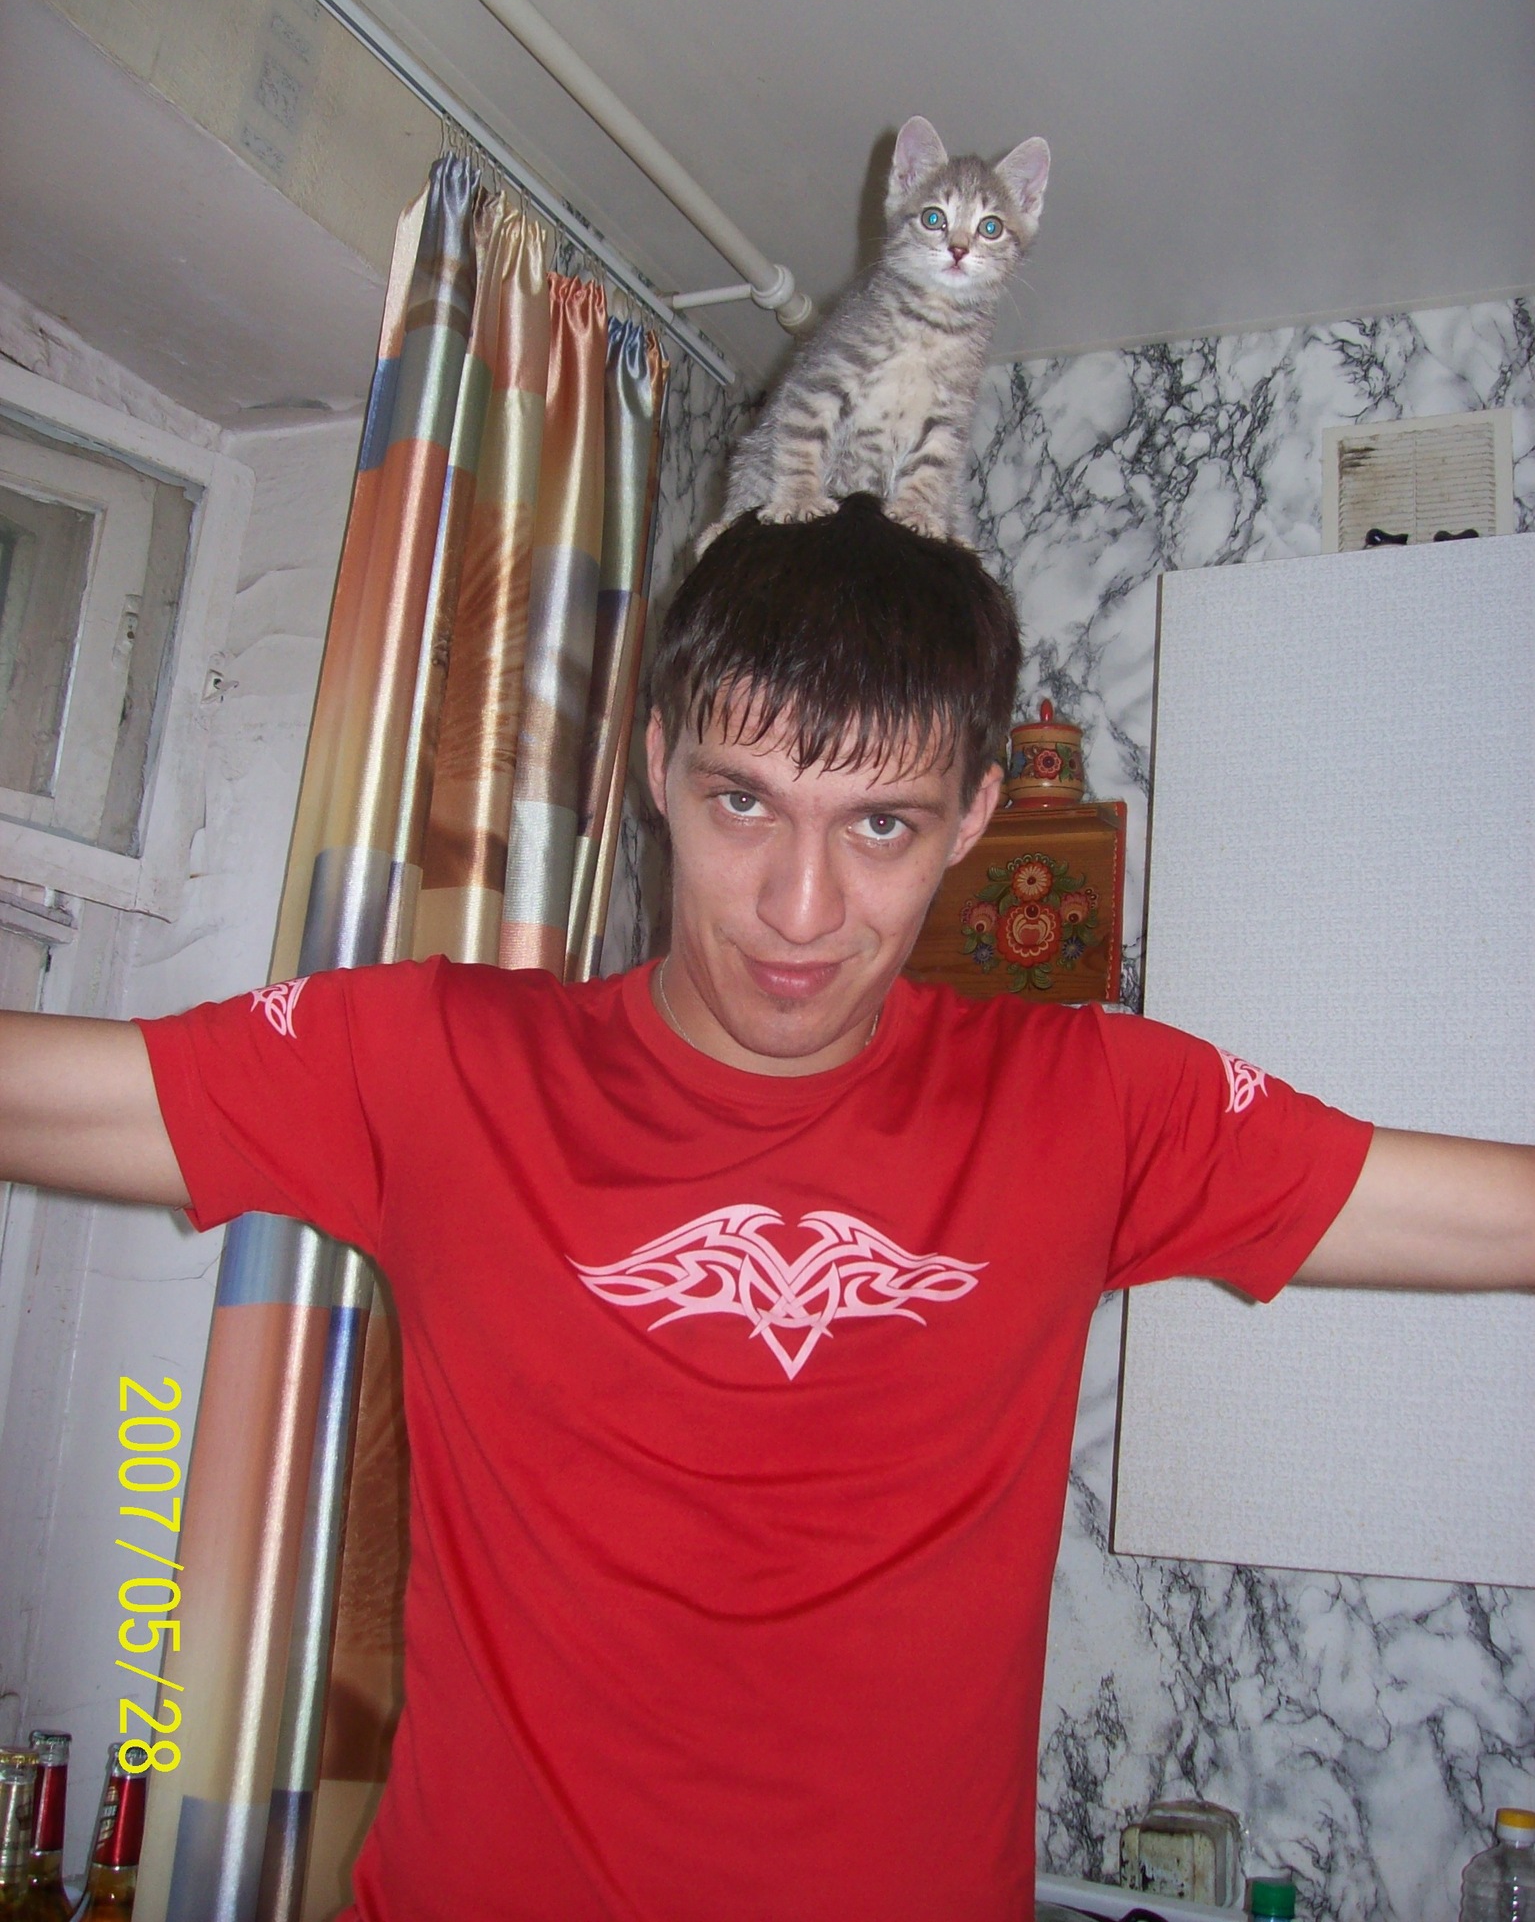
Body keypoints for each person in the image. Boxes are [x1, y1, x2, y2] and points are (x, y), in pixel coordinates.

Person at [1, 493, 1530, 1922]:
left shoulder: (1090, 1106)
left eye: (882, 825)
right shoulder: (437, 1066)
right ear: (656, 765)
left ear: (977, 814)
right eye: (745, 801)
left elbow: (1493, 1213)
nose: (801, 911)